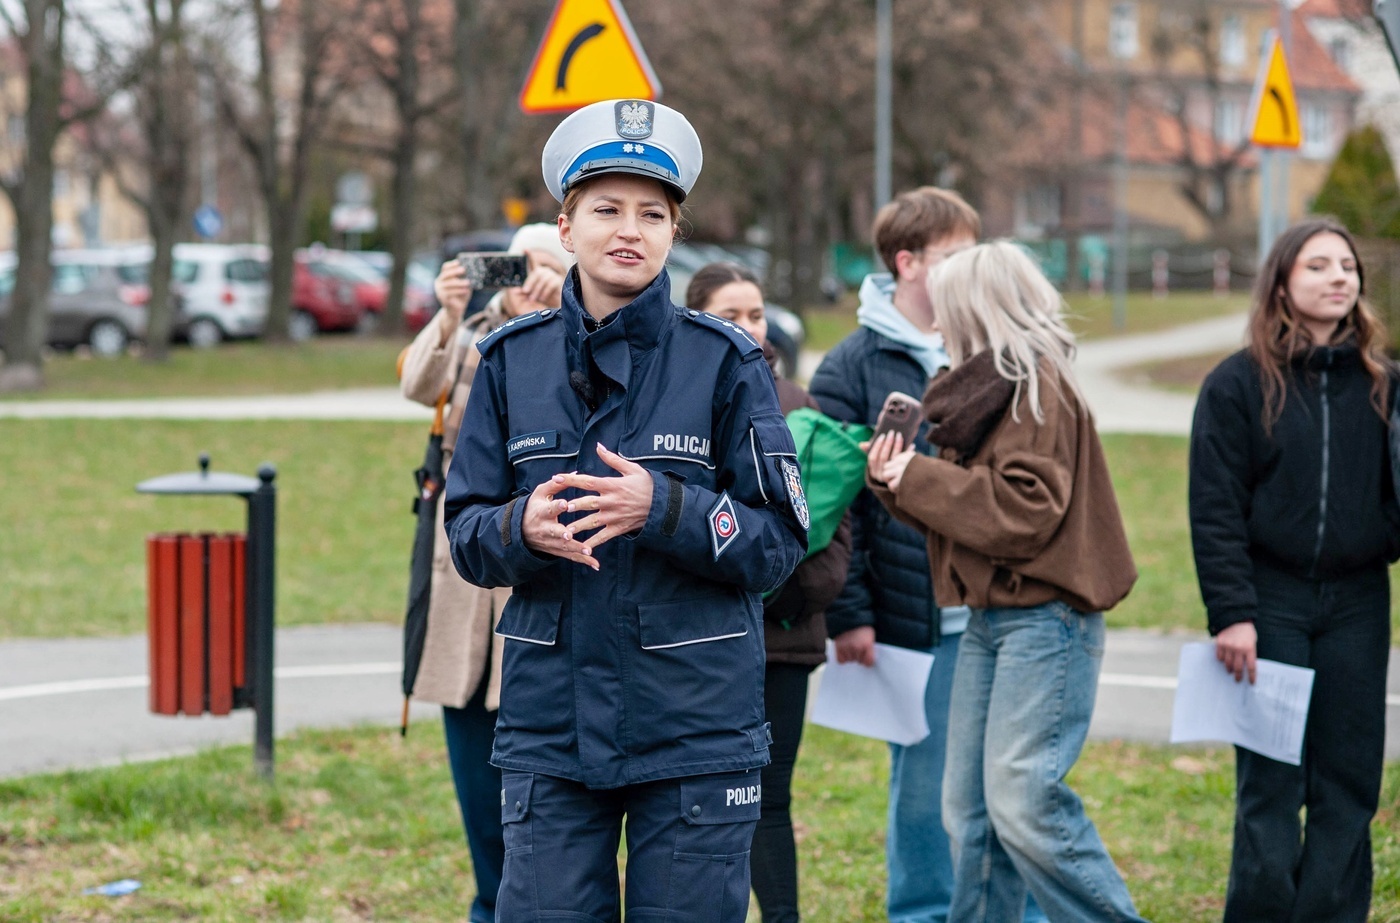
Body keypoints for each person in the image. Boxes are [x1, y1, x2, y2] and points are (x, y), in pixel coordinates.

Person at [443, 99, 809, 923]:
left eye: (652, 212)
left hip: (696, 731)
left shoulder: (727, 363)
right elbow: (466, 533)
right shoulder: (509, 362)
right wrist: (518, 528)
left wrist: (667, 507)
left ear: (676, 232)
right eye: (606, 209)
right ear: (565, 227)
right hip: (551, 730)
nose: (629, 229)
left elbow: (780, 543)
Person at [865, 241, 1144, 923]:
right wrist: (896, 481)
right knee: (972, 812)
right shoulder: (987, 386)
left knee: (1022, 802)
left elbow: (1023, 509)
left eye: (945, 296)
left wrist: (920, 478)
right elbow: (974, 513)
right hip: (995, 620)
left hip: (1047, 620)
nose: (933, 308)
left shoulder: (1037, 384)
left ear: (975, 306)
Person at [809, 187, 1044, 923]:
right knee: (925, 784)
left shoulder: (986, 347)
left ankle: (1015, 910)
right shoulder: (848, 368)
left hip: (993, 602)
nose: (969, 269)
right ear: (907, 262)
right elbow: (833, 500)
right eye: (953, 256)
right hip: (912, 614)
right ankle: (920, 910)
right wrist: (850, 613)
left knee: (1008, 781)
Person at [1189, 218, 1398, 923]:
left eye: (1347, 265)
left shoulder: (1386, 385)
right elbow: (1213, 508)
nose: (1340, 276)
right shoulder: (1237, 385)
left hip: (1359, 604)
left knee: (1347, 782)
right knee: (1271, 783)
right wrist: (1233, 613)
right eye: (1318, 266)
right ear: (1281, 282)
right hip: (1268, 604)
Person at [399, 223, 571, 923]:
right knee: (475, 771)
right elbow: (419, 384)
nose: (527, 280)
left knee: (542, 794)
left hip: (541, 578)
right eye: (517, 266)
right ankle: (488, 903)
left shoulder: (586, 335)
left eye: (546, 268)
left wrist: (564, 315)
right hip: (467, 583)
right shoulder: (477, 334)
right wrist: (447, 312)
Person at [688, 262, 851, 923]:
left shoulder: (801, 406)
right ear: (697, 318)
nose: (749, 328)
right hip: (703, 639)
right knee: (703, 798)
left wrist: (788, 591)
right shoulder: (682, 401)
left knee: (769, 798)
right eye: (732, 315)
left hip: (785, 636)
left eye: (756, 314)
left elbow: (834, 526)